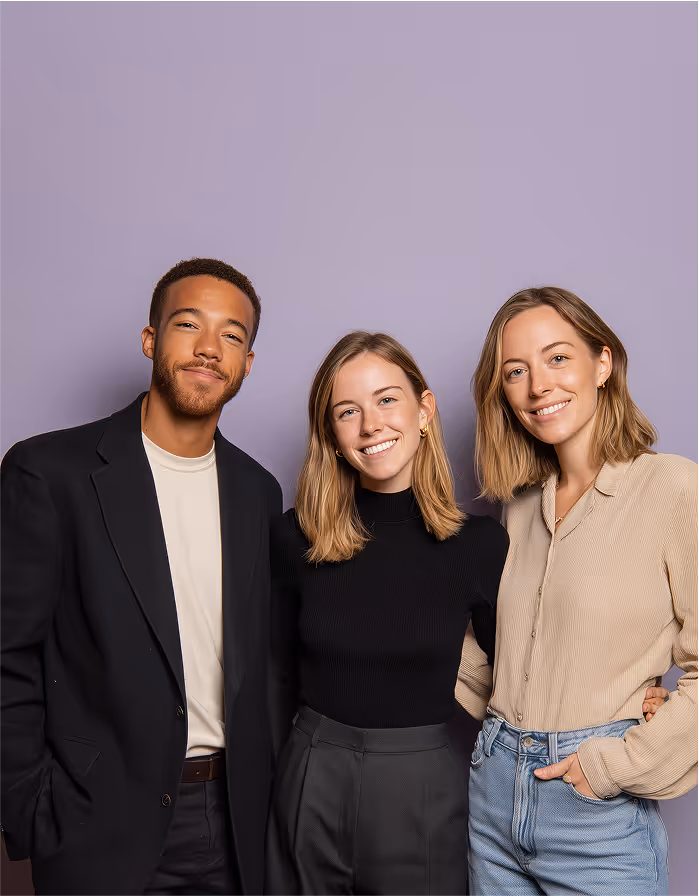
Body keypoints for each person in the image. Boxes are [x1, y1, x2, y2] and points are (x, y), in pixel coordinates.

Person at [0, 258, 282, 896]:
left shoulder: (257, 491)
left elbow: (262, 661)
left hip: (234, 820)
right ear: (152, 340)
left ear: (247, 363)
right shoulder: (49, 473)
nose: (209, 349)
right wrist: (28, 805)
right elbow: (7, 652)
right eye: (189, 325)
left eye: (232, 335)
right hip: (94, 818)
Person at [459, 286, 696, 896]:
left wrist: (614, 763)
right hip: (490, 800)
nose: (539, 386)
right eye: (516, 371)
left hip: (595, 814)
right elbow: (503, 654)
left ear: (603, 363)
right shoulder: (516, 508)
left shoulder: (673, 490)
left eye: (558, 358)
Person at [265, 331, 509, 896]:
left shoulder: (478, 545)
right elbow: (269, 678)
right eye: (347, 411)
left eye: (387, 400)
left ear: (424, 410)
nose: (370, 424)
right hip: (310, 774)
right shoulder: (292, 537)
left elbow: (522, 677)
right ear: (331, 433)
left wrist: (628, 694)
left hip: (419, 784)